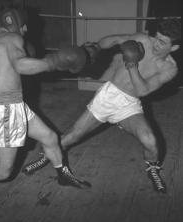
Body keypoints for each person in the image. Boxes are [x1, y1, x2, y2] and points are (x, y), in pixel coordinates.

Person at [0, 8, 91, 212]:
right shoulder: (12, 39)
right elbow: (21, 65)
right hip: (6, 112)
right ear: (15, 25)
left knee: (49, 137)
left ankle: (62, 173)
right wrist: (54, 62)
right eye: (24, 25)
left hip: (11, 106)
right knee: (3, 171)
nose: (26, 29)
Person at [22, 18, 181, 194]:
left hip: (130, 104)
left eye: (162, 42)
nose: (155, 43)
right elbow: (113, 40)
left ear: (174, 47)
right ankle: (45, 157)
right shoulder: (143, 40)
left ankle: (153, 169)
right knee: (70, 138)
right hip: (108, 97)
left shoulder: (169, 68)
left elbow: (143, 90)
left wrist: (131, 64)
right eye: (155, 38)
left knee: (150, 141)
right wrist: (95, 48)